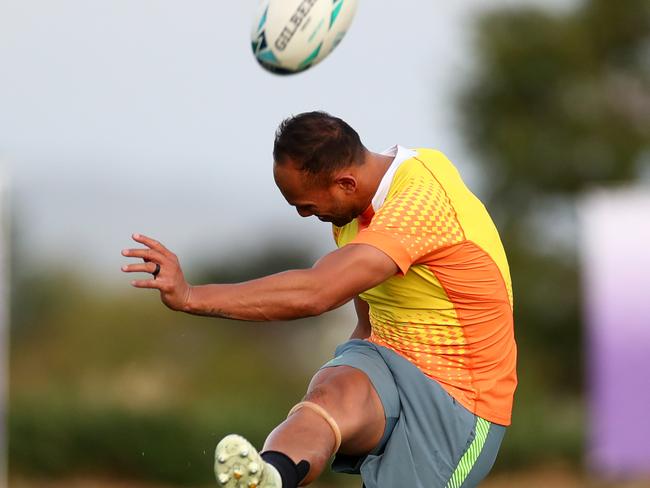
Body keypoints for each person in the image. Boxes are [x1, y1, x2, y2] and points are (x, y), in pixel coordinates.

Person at [121, 111, 517, 488]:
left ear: (345, 183)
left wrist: (191, 296)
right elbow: (368, 309)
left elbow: (317, 292)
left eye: (307, 206)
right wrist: (350, 365)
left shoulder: (418, 203)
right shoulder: (352, 209)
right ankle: (271, 476)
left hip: (460, 399)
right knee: (330, 390)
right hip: (389, 354)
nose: (304, 215)